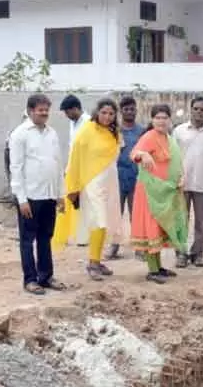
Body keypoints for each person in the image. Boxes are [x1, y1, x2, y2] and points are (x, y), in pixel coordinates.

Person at [56, 98, 124, 281]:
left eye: (111, 114)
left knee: (106, 223)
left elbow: (115, 156)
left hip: (110, 182)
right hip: (91, 183)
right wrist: (73, 186)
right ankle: (92, 263)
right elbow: (75, 158)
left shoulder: (114, 132)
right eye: (104, 113)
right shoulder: (87, 130)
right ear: (97, 112)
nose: (107, 117)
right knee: (99, 222)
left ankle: (97, 260)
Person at [8, 93, 66, 295]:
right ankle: (30, 280)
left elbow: (58, 164)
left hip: (49, 195)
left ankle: (46, 276)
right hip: (30, 197)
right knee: (27, 239)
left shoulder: (52, 133)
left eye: (46, 110)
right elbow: (15, 168)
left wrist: (60, 194)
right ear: (30, 110)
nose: (44, 114)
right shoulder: (19, 134)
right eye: (40, 110)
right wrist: (21, 199)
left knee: (45, 237)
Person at [129, 104, 188, 284]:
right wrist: (143, 155)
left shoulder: (169, 138)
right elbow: (134, 154)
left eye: (164, 117)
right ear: (152, 119)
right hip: (150, 192)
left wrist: (180, 177)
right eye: (158, 118)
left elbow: (176, 162)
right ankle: (152, 270)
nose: (161, 121)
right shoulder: (149, 136)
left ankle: (159, 266)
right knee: (151, 228)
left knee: (160, 228)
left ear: (170, 120)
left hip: (165, 192)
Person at [173, 95, 203, 268]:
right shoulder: (179, 131)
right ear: (190, 110)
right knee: (181, 220)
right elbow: (172, 157)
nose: (199, 112)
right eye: (196, 109)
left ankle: (198, 254)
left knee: (200, 222)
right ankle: (181, 254)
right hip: (181, 184)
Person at [109, 95, 143, 260]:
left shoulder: (142, 131)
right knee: (116, 213)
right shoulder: (114, 131)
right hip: (117, 177)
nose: (129, 112)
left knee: (136, 214)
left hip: (136, 177)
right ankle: (114, 246)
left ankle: (139, 248)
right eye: (126, 109)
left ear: (136, 110)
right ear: (121, 112)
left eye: (132, 109)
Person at [61, 94, 91, 247]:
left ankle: (84, 237)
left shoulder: (88, 122)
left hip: (86, 169)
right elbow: (72, 147)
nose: (66, 116)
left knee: (84, 202)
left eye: (67, 112)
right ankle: (68, 234)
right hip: (73, 168)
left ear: (75, 109)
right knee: (71, 200)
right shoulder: (73, 123)